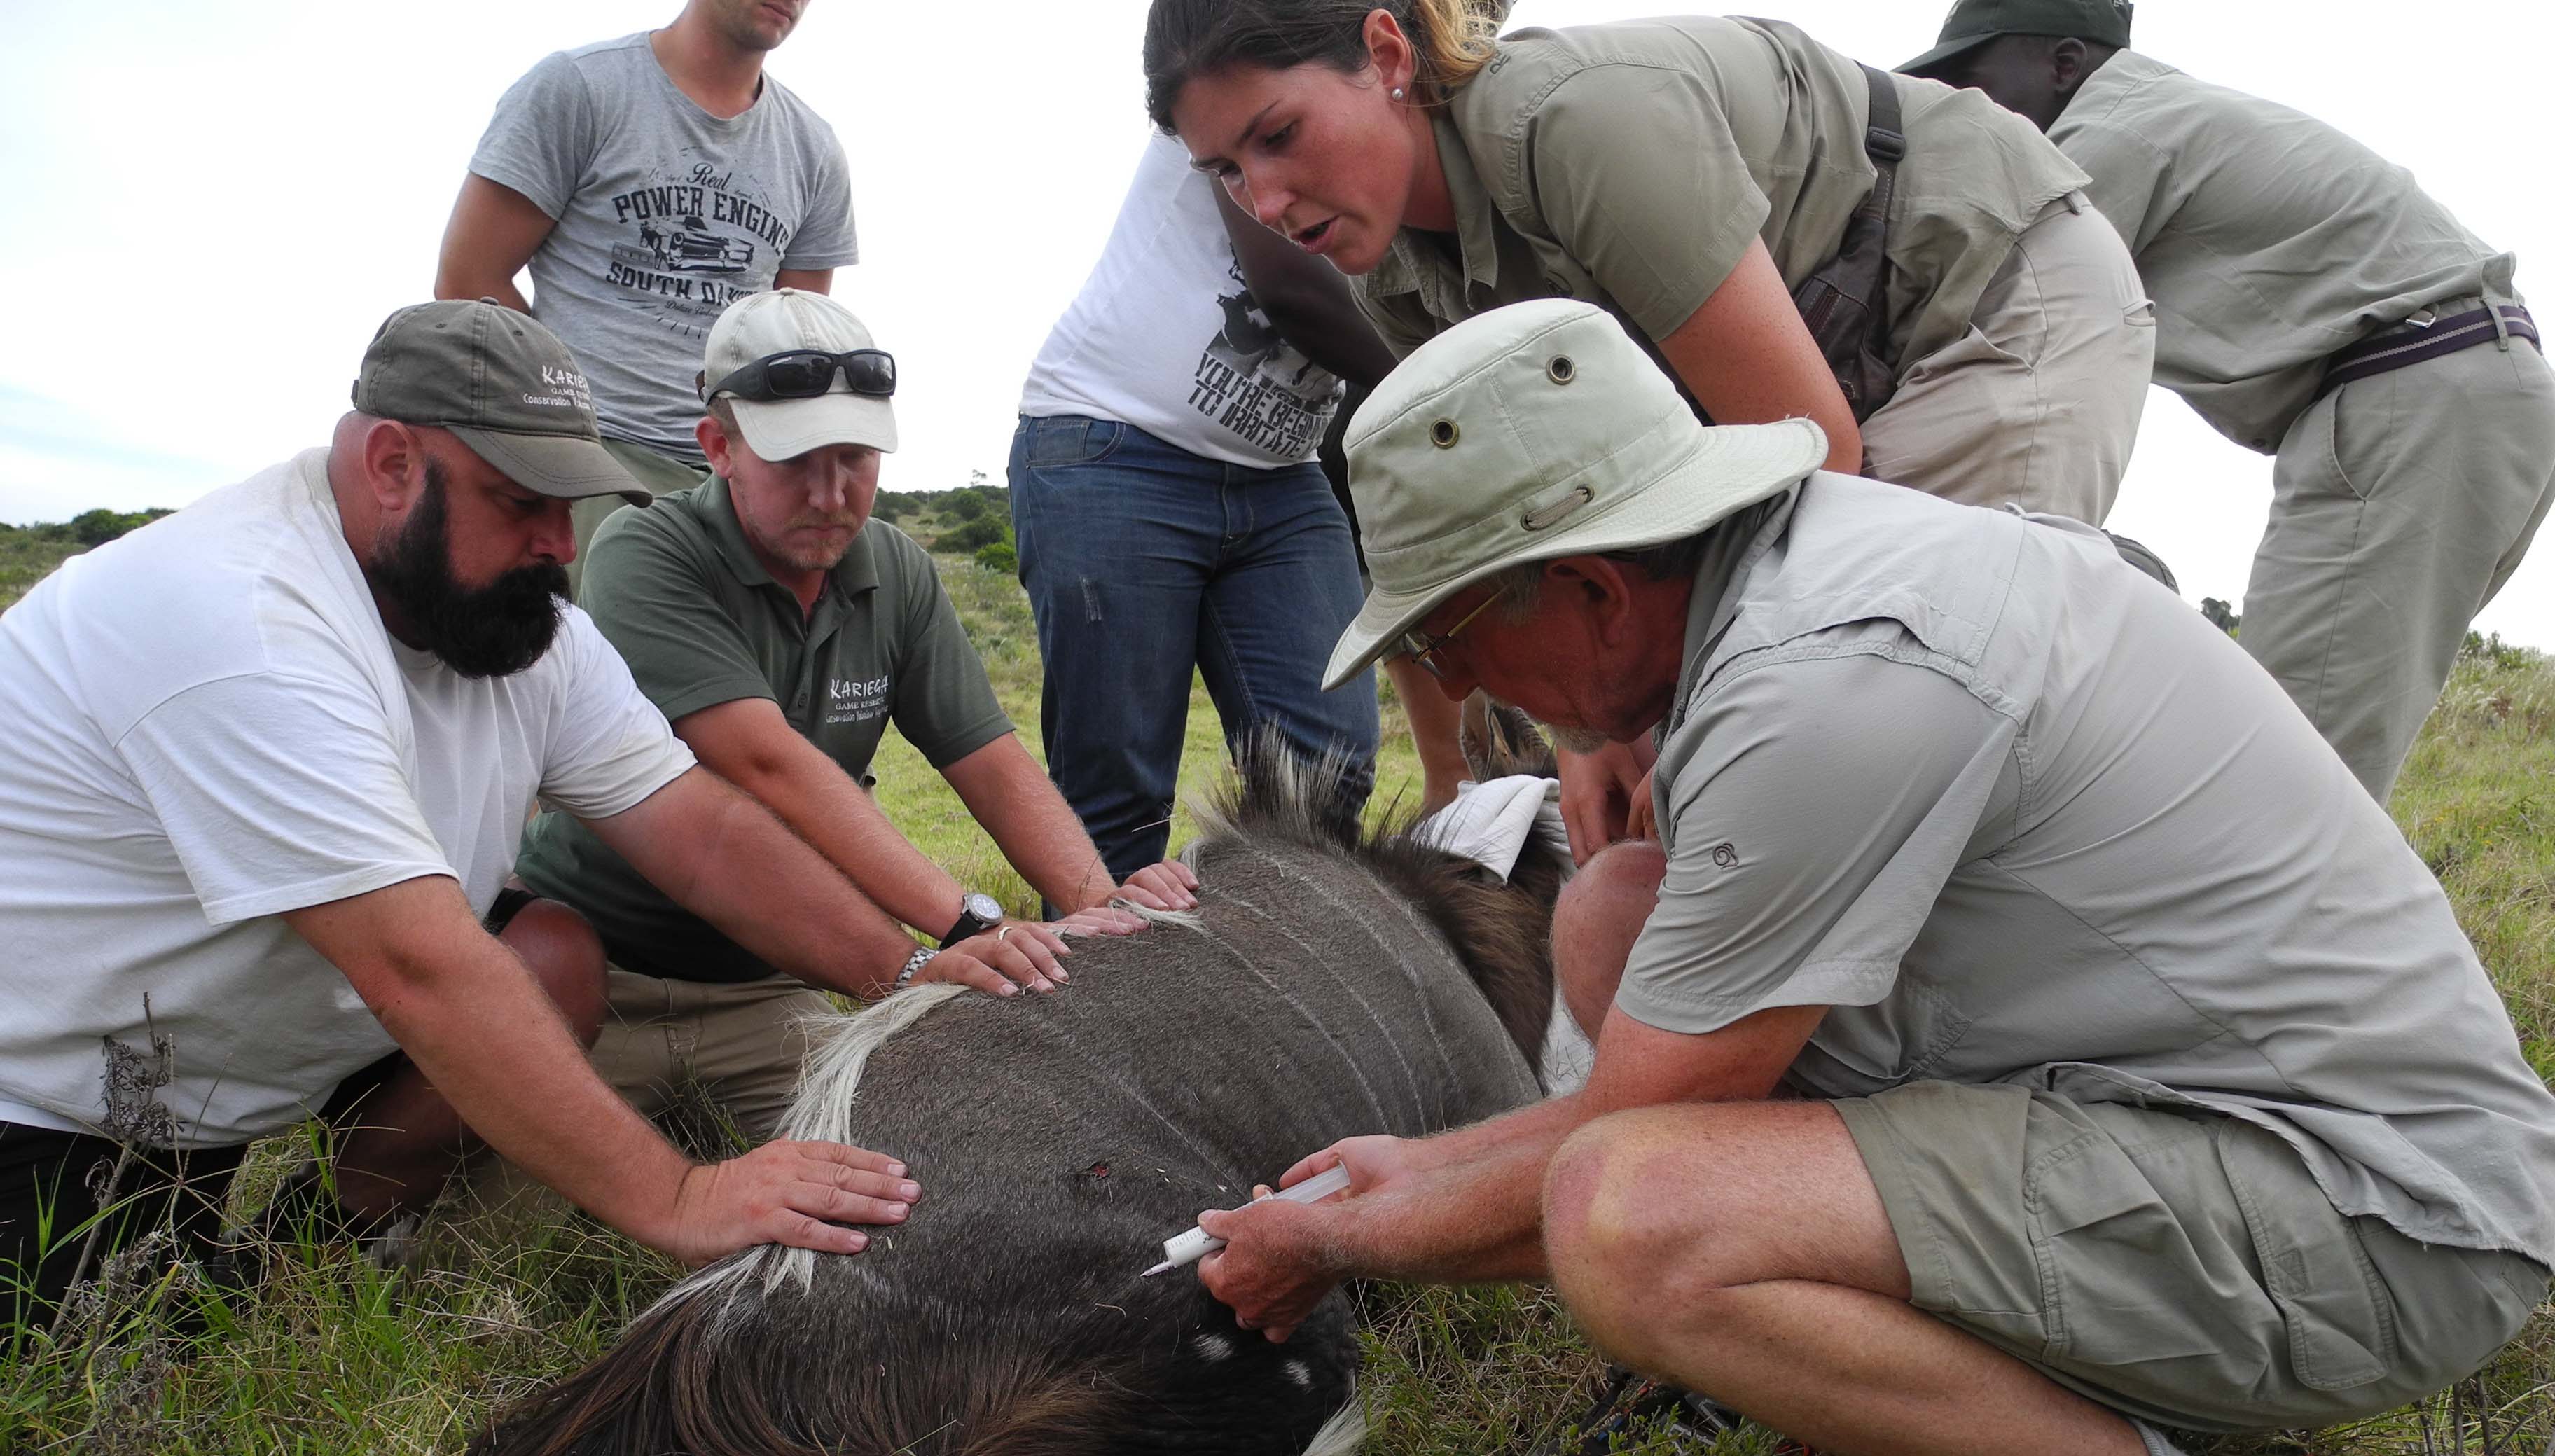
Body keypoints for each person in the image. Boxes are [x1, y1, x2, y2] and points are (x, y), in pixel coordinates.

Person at [1193, 302, 2555, 1456]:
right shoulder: (1813, 577)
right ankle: (1962, 1421)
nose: (1448, 678)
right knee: (1620, 903)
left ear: (1587, 582)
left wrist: (1340, 1233)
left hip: (2377, 1225)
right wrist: (1409, 1170)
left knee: (1635, 1229)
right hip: (2195, 1122)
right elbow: (1648, 1062)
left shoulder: (1826, 682)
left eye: (1444, 630)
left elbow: (1620, 1156)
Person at [0, 301, 1069, 1319]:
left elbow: (698, 829)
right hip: (62, 1094)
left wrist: (909, 972)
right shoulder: (243, 625)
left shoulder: (510, 620)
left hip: (251, 1053)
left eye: (571, 500)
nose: (562, 541)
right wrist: (682, 1199)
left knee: (550, 950)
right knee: (116, 1363)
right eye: (521, 501)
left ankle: (316, 1247)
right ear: (391, 465)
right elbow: (421, 968)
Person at [1145, 0, 2159, 857]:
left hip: (1982, 286)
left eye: (1278, 135)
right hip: (1826, 348)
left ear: (1386, 54)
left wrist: (1660, 717)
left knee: (1890, 683)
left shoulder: (1578, 125)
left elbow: (1817, 458)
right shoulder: (1399, 279)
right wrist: (1590, 730)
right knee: (1723, 744)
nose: (1265, 200)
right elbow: (1538, 526)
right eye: (1225, 172)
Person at [517, 291, 1192, 1139]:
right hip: (597, 967)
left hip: (769, 982)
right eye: (797, 460)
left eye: (857, 458)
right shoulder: (645, 549)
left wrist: (1097, 907)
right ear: (718, 447)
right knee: (496, 1229)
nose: (832, 493)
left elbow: (989, 759)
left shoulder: (896, 569)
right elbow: (767, 766)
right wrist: (969, 928)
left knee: (903, 1171)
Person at [1902, 0, 2555, 803]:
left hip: (2414, 391)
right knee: (2321, 755)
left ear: (2065, 65)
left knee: (2277, 785)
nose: (1964, 112)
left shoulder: (2103, 142)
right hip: (2473, 385)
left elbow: (1974, 324)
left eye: (1972, 82)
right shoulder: (2168, 113)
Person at [1010, 133, 1385, 880]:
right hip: (1115, 446)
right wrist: (1461, 381)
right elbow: (1291, 286)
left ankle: (1259, 975)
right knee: (1117, 796)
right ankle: (1100, 993)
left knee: (1326, 773)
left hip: (1283, 470)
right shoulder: (1245, 69)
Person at [436, 0, 857, 590]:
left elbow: (799, 342)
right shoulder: (579, 89)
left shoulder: (813, 149)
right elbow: (466, 281)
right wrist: (560, 423)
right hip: (587, 467)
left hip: (739, 480)